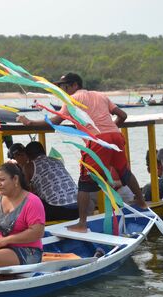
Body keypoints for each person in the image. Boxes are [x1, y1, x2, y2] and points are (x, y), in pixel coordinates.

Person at [17, 72, 146, 232]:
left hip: (97, 140)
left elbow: (55, 122)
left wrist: (29, 122)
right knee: (124, 171)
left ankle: (82, 223)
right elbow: (123, 115)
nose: (62, 90)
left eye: (64, 86)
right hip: (115, 135)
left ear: (74, 85)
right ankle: (141, 201)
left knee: (84, 183)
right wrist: (110, 131)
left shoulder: (72, 100)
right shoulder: (101, 95)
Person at [24, 141, 79, 220]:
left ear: (27, 156)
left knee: (28, 201)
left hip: (59, 210)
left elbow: (24, 190)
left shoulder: (29, 166)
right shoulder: (56, 161)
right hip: (78, 207)